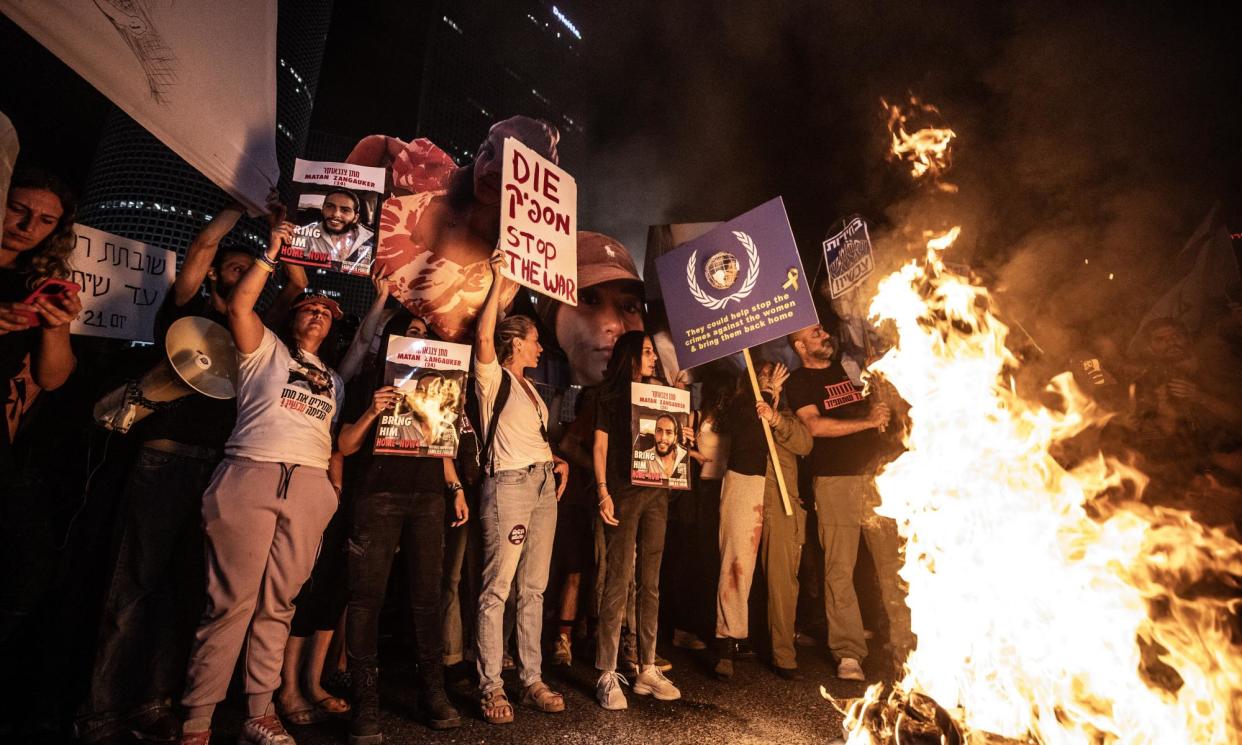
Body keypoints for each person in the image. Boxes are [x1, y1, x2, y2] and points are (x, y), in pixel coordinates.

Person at [76, 194, 306, 745]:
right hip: (168, 457)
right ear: (211, 283)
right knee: (136, 584)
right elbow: (203, 246)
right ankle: (101, 713)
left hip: (221, 468)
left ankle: (156, 702)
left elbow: (295, 284)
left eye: (248, 270)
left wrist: (280, 235)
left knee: (189, 588)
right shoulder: (188, 310)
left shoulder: (251, 327)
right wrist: (241, 204)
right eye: (234, 268)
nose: (241, 272)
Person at [178, 215, 344, 745]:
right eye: (310, 308)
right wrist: (272, 252)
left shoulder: (334, 380)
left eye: (326, 313)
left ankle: (259, 710)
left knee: (279, 605)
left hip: (310, 484)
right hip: (251, 471)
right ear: (294, 316)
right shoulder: (262, 348)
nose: (317, 315)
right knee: (231, 602)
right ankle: (198, 720)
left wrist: (329, 492)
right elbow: (241, 306)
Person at [337, 309, 469, 739]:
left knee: (427, 596)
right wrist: (372, 412)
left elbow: (445, 447)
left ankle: (431, 692)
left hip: (428, 497)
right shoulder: (372, 380)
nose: (420, 338)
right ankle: (365, 702)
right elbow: (345, 445)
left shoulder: (440, 391)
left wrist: (454, 487)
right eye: (412, 332)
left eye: (426, 334)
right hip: (378, 496)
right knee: (366, 599)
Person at [535, 230, 645, 668]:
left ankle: (595, 639)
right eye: (587, 298)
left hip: (609, 499)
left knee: (607, 571)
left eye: (629, 307)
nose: (615, 324)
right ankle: (562, 640)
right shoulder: (565, 388)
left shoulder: (636, 395)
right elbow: (568, 441)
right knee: (573, 569)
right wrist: (601, 472)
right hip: (577, 499)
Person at [345, 117, 560, 342]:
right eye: (488, 152)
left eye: (507, 170)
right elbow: (377, 144)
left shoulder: (510, 267)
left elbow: (485, 340)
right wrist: (341, 199)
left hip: (429, 364)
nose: (487, 169)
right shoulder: (437, 175)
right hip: (367, 329)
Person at [784, 323, 912, 682]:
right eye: (814, 334)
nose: (824, 335)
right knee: (840, 569)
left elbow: (879, 409)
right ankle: (849, 652)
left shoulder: (852, 370)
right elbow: (815, 427)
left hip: (877, 477)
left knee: (893, 564)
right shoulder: (798, 383)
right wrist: (867, 422)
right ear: (799, 346)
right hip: (835, 481)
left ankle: (903, 645)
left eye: (823, 331)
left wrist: (882, 390)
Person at [472, 250, 569, 724]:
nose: (540, 348)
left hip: (541, 484)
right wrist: (498, 280)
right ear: (516, 344)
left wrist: (556, 461)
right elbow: (484, 334)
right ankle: (491, 687)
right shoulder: (493, 378)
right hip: (508, 486)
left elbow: (531, 437)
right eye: (534, 341)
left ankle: (530, 678)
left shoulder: (531, 390)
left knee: (534, 588)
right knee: (498, 589)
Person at [0, 167, 81, 651]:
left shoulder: (36, 283)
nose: (30, 226)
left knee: (27, 572)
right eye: (19, 209)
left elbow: (53, 377)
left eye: (47, 220)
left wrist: (56, 326)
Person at [593, 331, 681, 710]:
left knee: (651, 583)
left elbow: (673, 446)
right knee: (617, 581)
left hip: (657, 496)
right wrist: (602, 492)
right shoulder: (608, 396)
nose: (653, 358)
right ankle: (607, 672)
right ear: (629, 355)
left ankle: (646, 666)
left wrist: (684, 436)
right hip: (623, 494)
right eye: (646, 352)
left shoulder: (659, 396)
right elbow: (599, 446)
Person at [712, 360, 812, 681]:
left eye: (775, 373)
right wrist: (766, 398)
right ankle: (727, 643)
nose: (773, 376)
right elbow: (741, 429)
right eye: (766, 373)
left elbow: (804, 443)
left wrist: (777, 414)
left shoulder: (789, 411)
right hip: (745, 484)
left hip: (779, 496)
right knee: (736, 565)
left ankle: (783, 653)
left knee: (783, 576)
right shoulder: (740, 404)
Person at [295, 189, 373, 271]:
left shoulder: (370, 239)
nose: (336, 214)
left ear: (355, 218)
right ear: (322, 210)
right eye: (330, 207)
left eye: (345, 210)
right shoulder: (304, 234)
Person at [638, 413, 689, 483]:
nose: (663, 438)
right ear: (655, 434)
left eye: (669, 432)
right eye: (659, 431)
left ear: (675, 438)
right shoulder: (645, 456)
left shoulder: (685, 456)